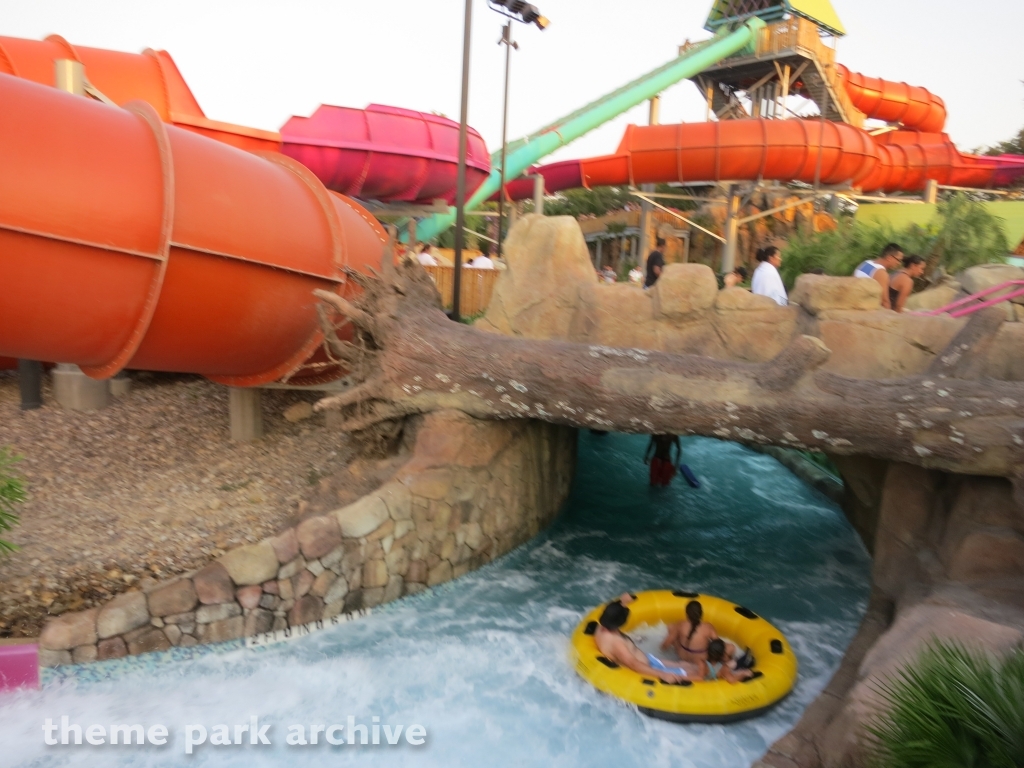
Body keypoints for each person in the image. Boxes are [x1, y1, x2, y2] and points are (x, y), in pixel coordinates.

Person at [593, 598, 697, 684]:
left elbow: (611, 611)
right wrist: (663, 675)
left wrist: (622, 601)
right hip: (646, 670)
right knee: (695, 674)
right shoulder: (617, 643)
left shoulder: (601, 627)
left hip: (647, 660)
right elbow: (633, 664)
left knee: (686, 665)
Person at [662, 599, 737, 664]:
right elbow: (718, 646)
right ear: (701, 613)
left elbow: (666, 644)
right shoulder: (708, 627)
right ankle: (727, 662)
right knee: (731, 647)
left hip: (682, 656)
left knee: (671, 627)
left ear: (687, 613)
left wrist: (662, 651)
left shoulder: (680, 625)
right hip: (700, 660)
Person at [853, 243, 903, 310]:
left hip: (853, 301)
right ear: (889, 258)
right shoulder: (881, 273)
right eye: (898, 260)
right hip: (863, 308)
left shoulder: (866, 263)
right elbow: (884, 301)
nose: (899, 263)